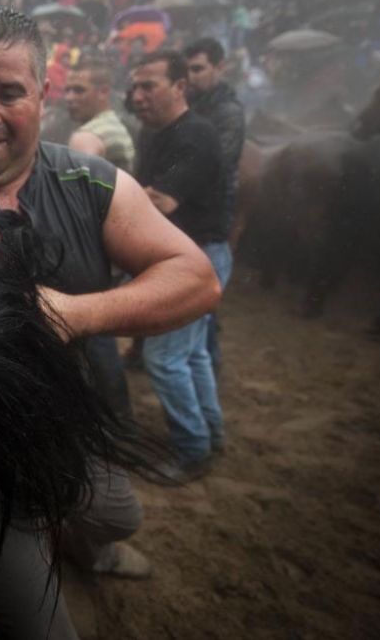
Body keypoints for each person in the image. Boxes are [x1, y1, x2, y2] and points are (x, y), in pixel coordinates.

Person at [0, 8, 220, 640]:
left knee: (117, 516)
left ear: (44, 94)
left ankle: (91, 549)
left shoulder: (90, 183)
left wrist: (72, 312)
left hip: (70, 422)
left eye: (9, 93)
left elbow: (197, 278)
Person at [129, 49, 231, 480]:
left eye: (148, 85)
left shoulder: (196, 135)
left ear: (179, 87)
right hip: (192, 253)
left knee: (165, 358)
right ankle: (211, 433)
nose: (136, 96)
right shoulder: (157, 134)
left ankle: (192, 451)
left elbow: (161, 201)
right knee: (191, 355)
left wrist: (105, 195)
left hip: (197, 258)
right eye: (133, 86)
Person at [184, 37, 245, 375]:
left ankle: (211, 364)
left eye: (199, 68)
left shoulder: (228, 113)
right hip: (193, 218)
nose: (192, 76)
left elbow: (215, 166)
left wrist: (172, 185)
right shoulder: (197, 104)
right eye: (187, 69)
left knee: (202, 303)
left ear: (220, 68)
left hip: (210, 219)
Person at [64, 56, 136, 172]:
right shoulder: (112, 125)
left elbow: (77, 188)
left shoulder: (88, 136)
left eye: (79, 90)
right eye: (67, 90)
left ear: (103, 91)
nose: (69, 98)